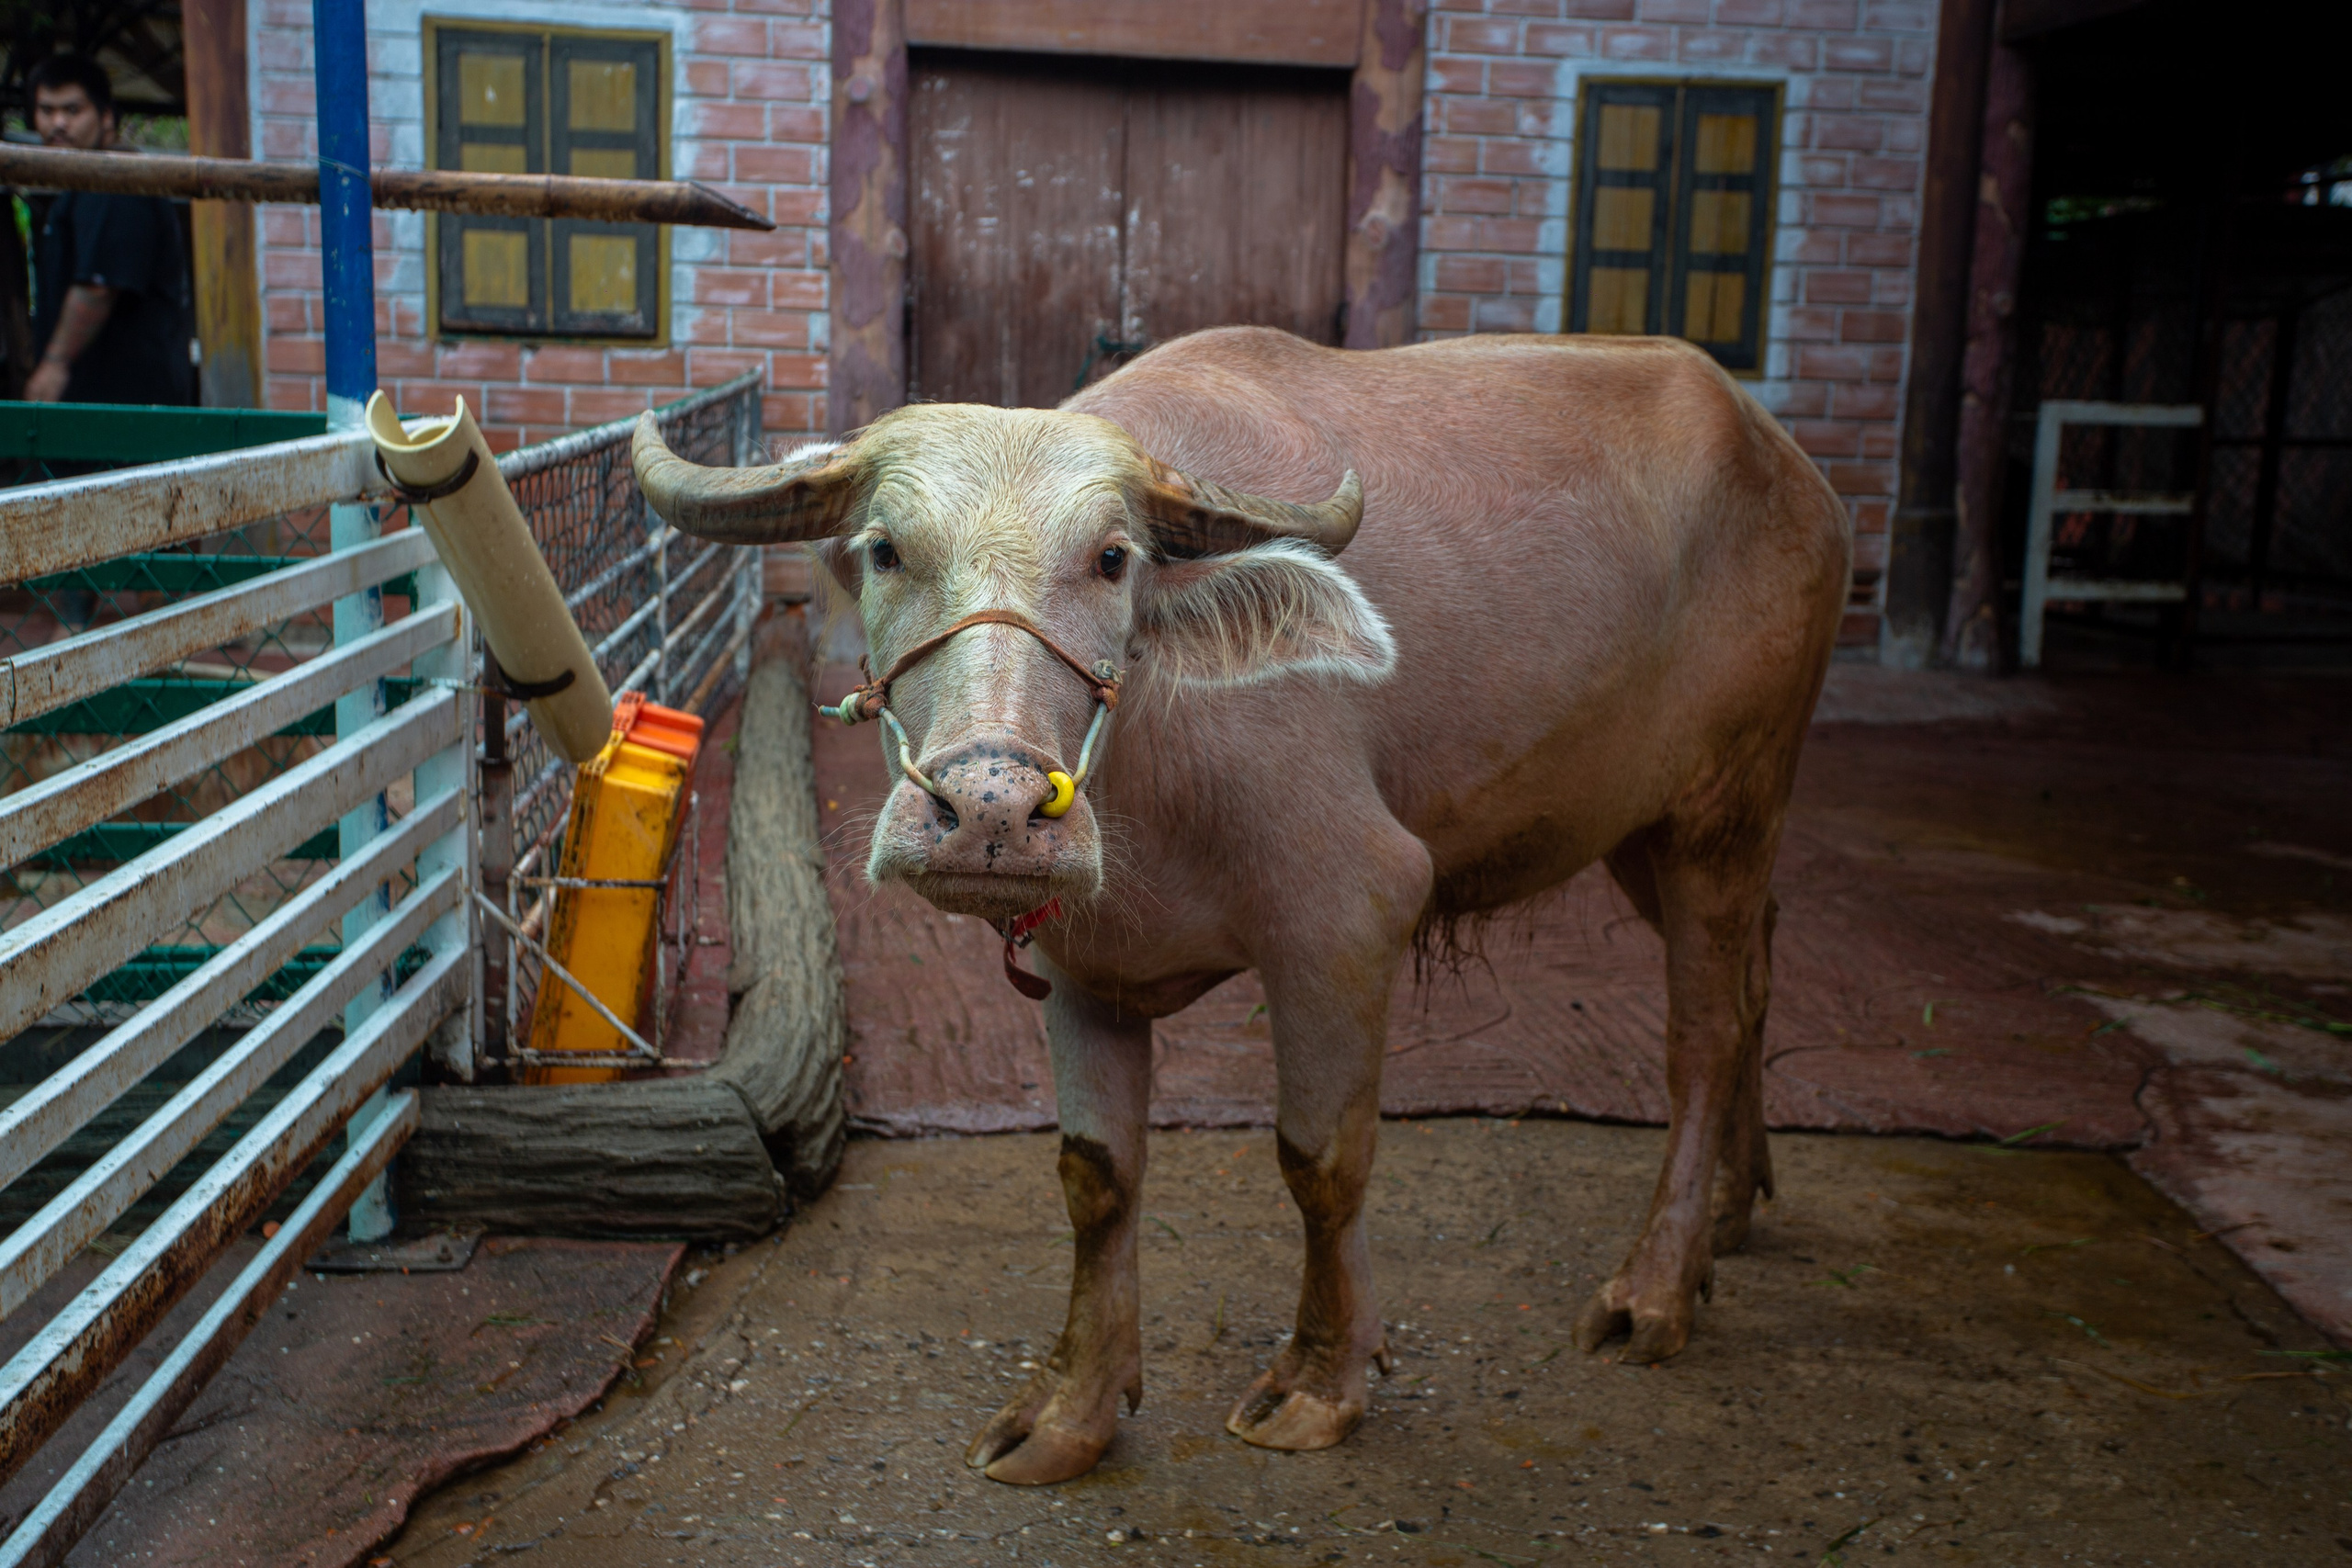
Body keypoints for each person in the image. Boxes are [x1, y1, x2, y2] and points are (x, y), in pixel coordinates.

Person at [24, 53, 194, 406]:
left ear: (105, 117)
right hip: (95, 402)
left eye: (72, 111)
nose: (57, 123)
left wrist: (54, 366)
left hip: (127, 408)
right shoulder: (79, 190)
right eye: (46, 110)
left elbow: (99, 285)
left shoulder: (118, 179)